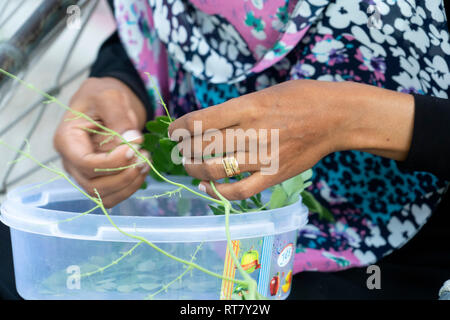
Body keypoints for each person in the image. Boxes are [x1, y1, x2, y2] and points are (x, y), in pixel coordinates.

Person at [1, 0, 449, 299]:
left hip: (384, 252)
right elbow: (163, 26)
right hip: (193, 221)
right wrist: (122, 82)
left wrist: (348, 118)